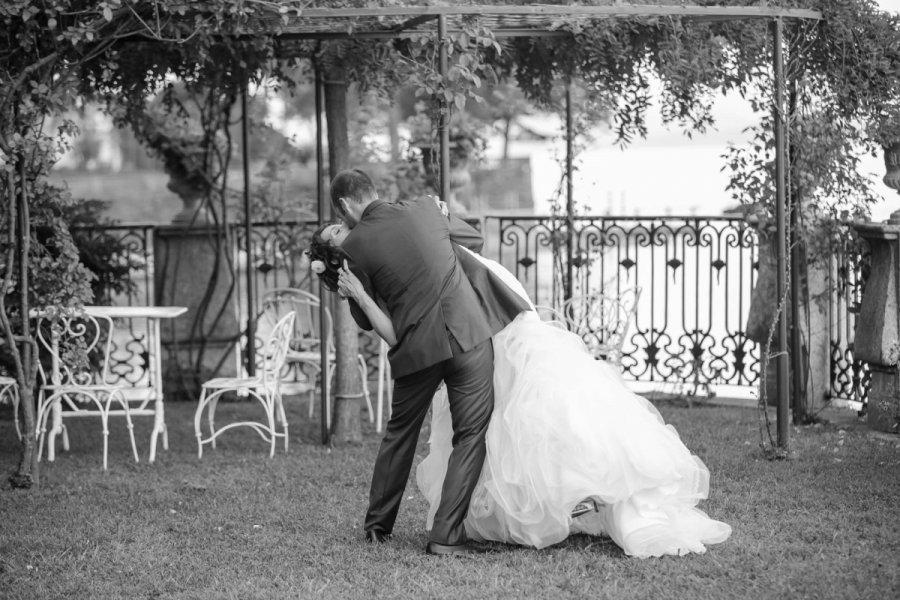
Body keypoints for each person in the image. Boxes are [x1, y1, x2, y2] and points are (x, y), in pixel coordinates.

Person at [310, 198, 732, 558]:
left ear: (348, 212)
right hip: (450, 338)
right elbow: (396, 318)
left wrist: (440, 220)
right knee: (486, 427)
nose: (341, 232)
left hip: (482, 321)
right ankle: (396, 528)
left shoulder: (408, 218)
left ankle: (570, 495)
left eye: (337, 225)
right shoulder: (368, 259)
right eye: (334, 236)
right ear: (334, 256)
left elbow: (468, 242)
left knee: (527, 412)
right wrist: (363, 290)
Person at [320, 169, 531, 557]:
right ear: (374, 190)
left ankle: (377, 528)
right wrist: (443, 214)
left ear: (345, 206)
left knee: (400, 434)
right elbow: (473, 239)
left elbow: (367, 321)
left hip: (417, 350)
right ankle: (445, 536)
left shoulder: (353, 250)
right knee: (470, 434)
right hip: (468, 334)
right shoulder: (426, 207)